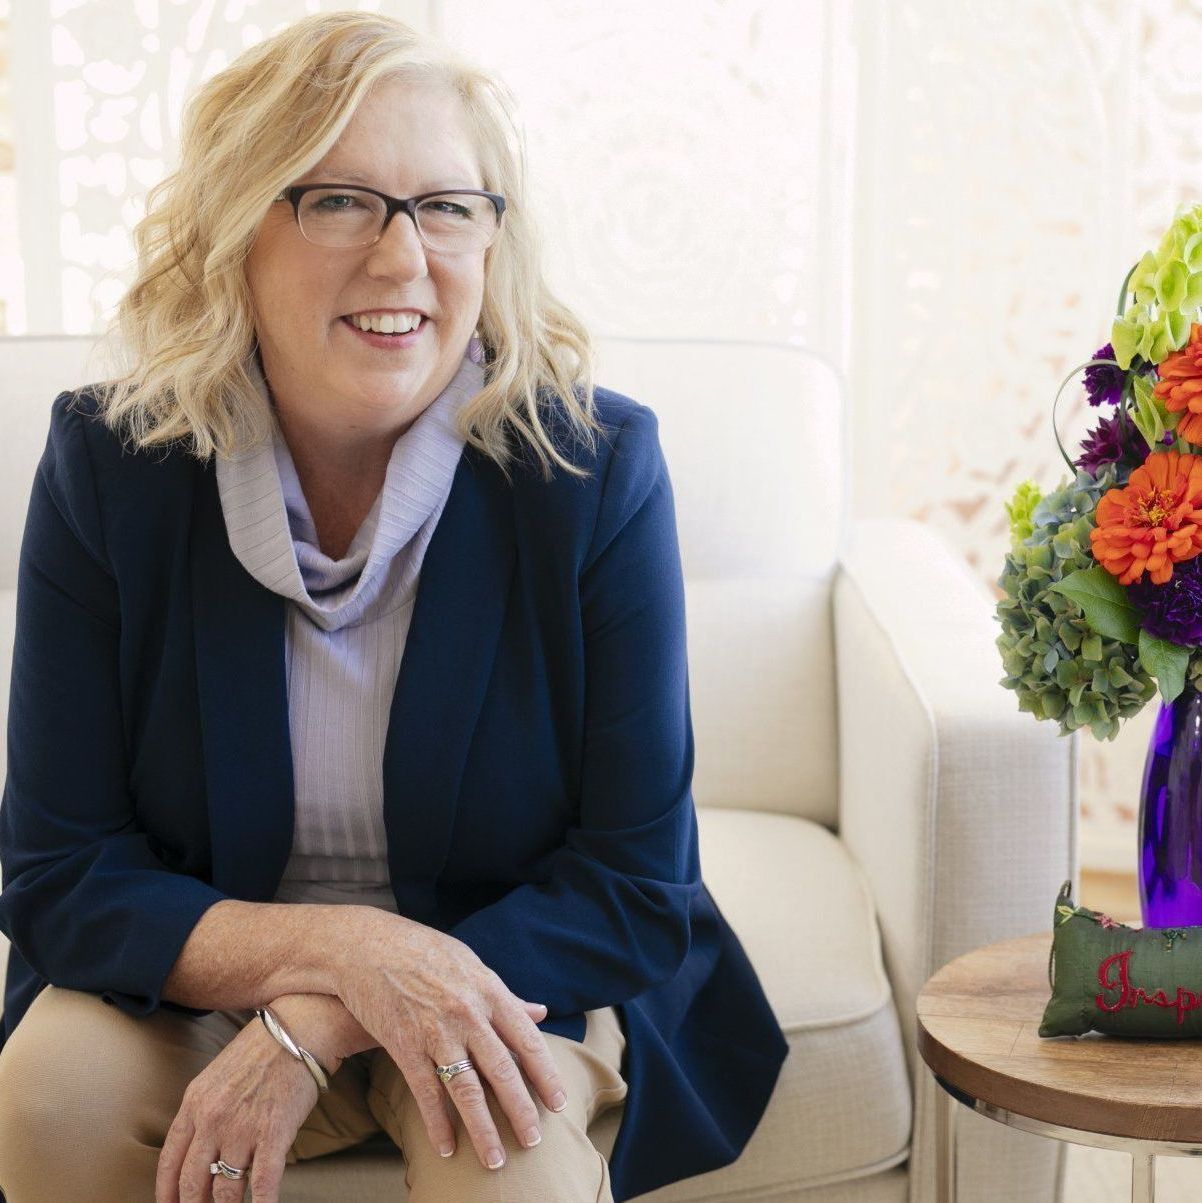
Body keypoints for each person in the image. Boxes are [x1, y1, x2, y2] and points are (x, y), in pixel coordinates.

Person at [0, 12, 787, 1203]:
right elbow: (59, 867)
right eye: (340, 201)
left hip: (506, 975)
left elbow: (633, 883)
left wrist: (319, 1021)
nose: (403, 257)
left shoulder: (591, 471)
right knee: (54, 1100)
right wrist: (349, 957)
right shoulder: (114, 463)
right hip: (198, 985)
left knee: (512, 1178)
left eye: (446, 207)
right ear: (236, 231)